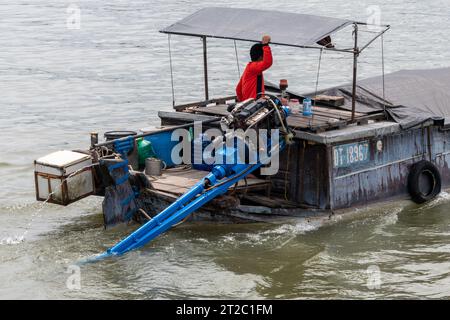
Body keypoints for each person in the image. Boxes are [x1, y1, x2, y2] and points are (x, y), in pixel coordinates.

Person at [235, 35, 272, 102]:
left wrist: (243, 102)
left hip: (247, 104)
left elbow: (238, 89)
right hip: (254, 104)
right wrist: (265, 45)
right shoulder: (254, 67)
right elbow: (267, 63)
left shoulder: (249, 67)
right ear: (261, 57)